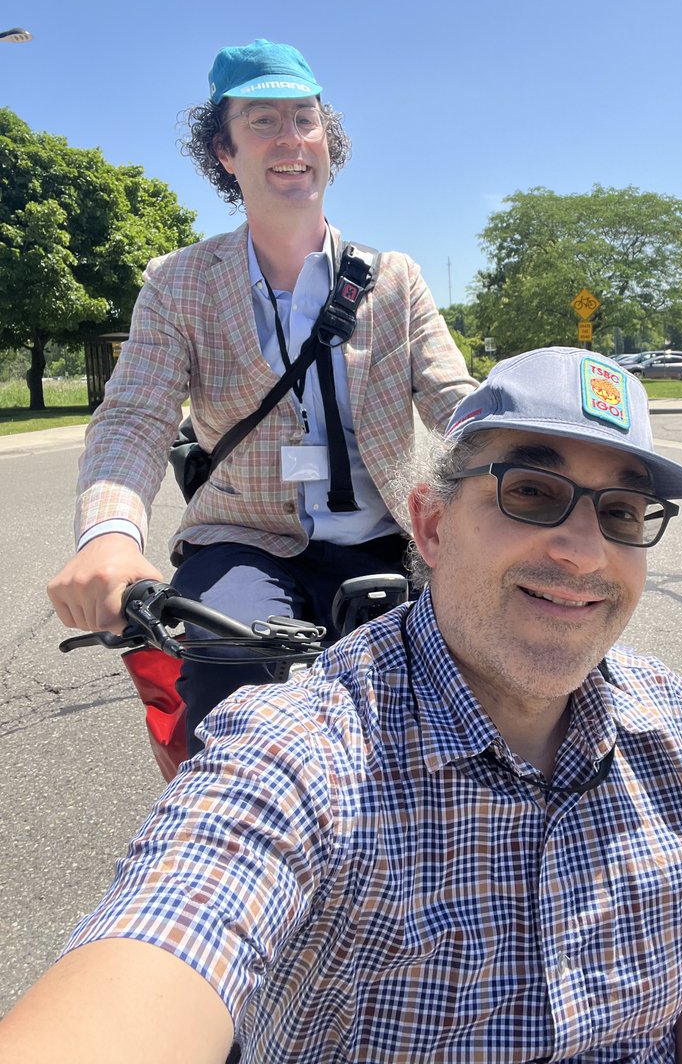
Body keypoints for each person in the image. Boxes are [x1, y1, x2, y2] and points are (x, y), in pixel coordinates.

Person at [7, 348, 682, 1063]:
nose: (584, 552)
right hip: (246, 542)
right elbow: (174, 925)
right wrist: (110, 529)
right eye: (530, 492)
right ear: (432, 524)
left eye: (621, 512)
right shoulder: (302, 751)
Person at [47, 38, 475, 751]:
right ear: (224, 151)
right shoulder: (177, 282)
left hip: (385, 538)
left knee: (438, 715)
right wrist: (111, 538)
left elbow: (454, 401)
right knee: (224, 693)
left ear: (327, 140)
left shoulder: (395, 278)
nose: (291, 141)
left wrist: (532, 453)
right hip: (245, 542)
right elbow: (134, 417)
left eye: (304, 120)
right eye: (263, 123)